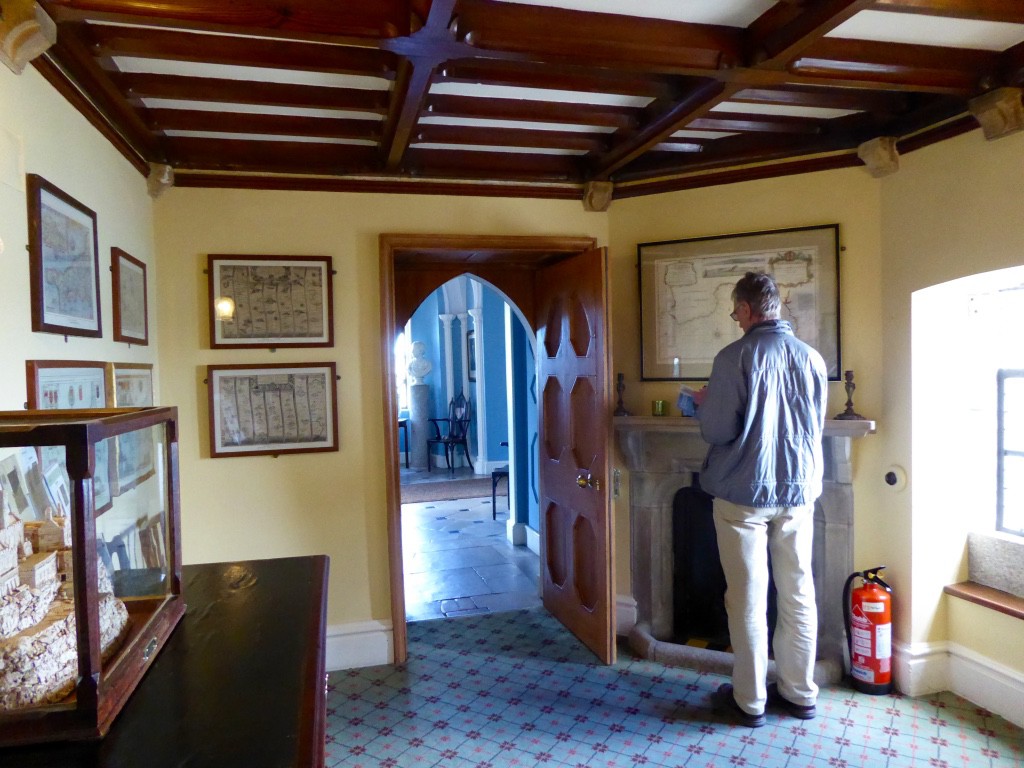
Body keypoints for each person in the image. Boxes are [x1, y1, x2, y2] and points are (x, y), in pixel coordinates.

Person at [694, 271, 828, 728]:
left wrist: (701, 402)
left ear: (748, 310)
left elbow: (719, 430)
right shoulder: (812, 358)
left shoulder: (734, 357)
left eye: (735, 311)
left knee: (748, 598)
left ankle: (749, 701)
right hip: (798, 492)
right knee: (797, 591)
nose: (735, 319)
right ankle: (799, 692)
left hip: (743, 496)